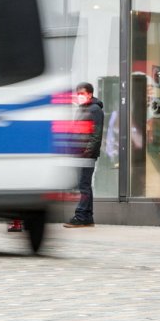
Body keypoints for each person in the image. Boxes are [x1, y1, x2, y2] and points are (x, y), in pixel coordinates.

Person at [64, 82, 104, 228]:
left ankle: (81, 216)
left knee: (84, 185)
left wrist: (87, 152)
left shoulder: (95, 110)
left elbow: (96, 134)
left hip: (86, 155)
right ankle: (87, 217)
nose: (79, 96)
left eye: (82, 94)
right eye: (78, 94)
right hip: (78, 153)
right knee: (84, 185)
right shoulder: (81, 109)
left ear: (90, 94)